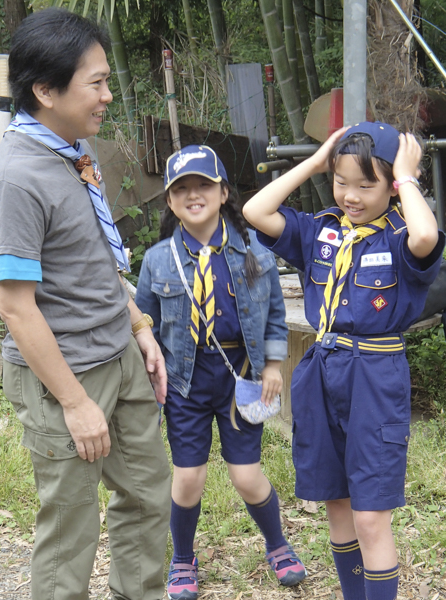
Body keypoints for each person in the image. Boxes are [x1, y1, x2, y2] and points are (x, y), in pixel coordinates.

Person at [0, 8, 171, 600]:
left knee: (148, 497)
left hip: (118, 355)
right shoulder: (18, 176)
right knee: (71, 531)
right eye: (94, 82)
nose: (107, 94)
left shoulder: (72, 152)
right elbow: (15, 306)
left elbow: (93, 259)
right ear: (45, 90)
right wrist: (73, 403)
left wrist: (138, 326)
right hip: (64, 375)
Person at [242, 122, 444, 600]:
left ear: (392, 186)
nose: (351, 195)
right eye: (341, 182)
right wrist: (314, 163)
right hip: (321, 372)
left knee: (371, 513)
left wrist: (408, 179)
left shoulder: (397, 237)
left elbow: (425, 237)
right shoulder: (321, 230)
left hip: (374, 375)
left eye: (366, 184)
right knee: (336, 501)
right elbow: (255, 211)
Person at [135, 145, 307, 600]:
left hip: (240, 376)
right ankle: (182, 558)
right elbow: (144, 324)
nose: (194, 195)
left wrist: (273, 364)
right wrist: (147, 371)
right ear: (170, 201)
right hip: (184, 383)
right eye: (182, 189)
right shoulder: (157, 261)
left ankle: (277, 543)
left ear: (223, 191)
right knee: (188, 477)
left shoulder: (254, 252)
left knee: (246, 476)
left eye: (203, 185)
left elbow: (274, 314)